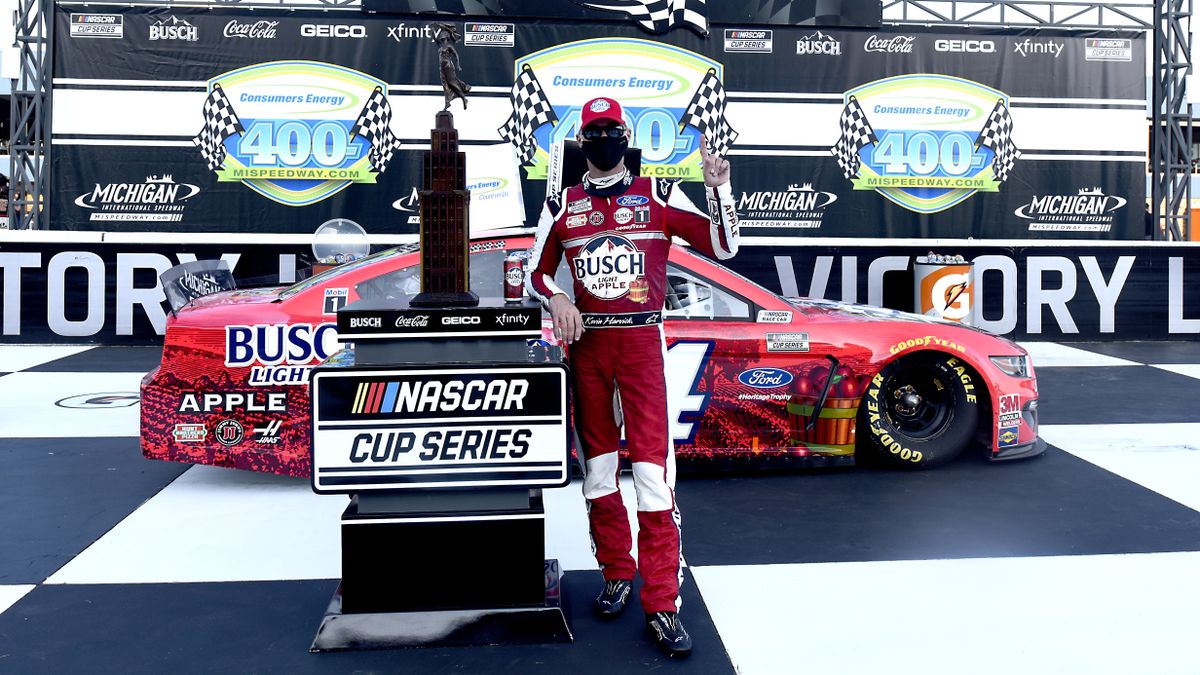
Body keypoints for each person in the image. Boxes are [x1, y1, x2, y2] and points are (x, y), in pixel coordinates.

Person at [525, 97, 739, 657]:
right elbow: (536, 274)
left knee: (650, 474)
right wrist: (557, 300)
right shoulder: (562, 204)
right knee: (597, 473)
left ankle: (662, 602)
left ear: (625, 136)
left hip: (643, 341)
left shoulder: (659, 194)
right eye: (593, 132)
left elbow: (725, 245)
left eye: (611, 130)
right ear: (583, 143)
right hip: (589, 344)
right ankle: (617, 572)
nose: (603, 139)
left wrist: (718, 191)